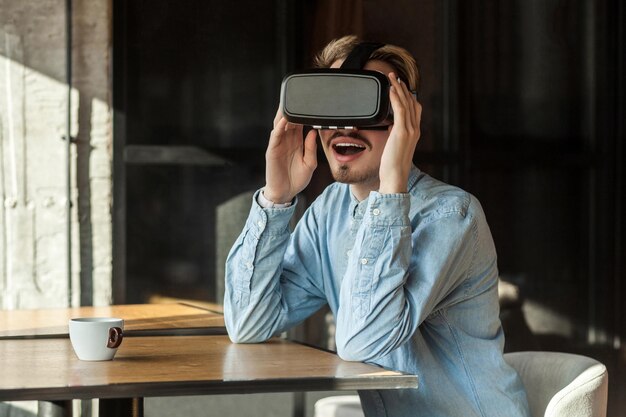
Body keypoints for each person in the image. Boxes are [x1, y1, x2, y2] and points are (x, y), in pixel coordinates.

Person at [224, 35, 530, 417]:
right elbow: (248, 324)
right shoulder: (329, 211)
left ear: (405, 120)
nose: (346, 126)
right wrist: (276, 197)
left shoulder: (451, 215)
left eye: (367, 107)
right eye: (333, 106)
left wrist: (390, 191)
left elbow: (362, 341)